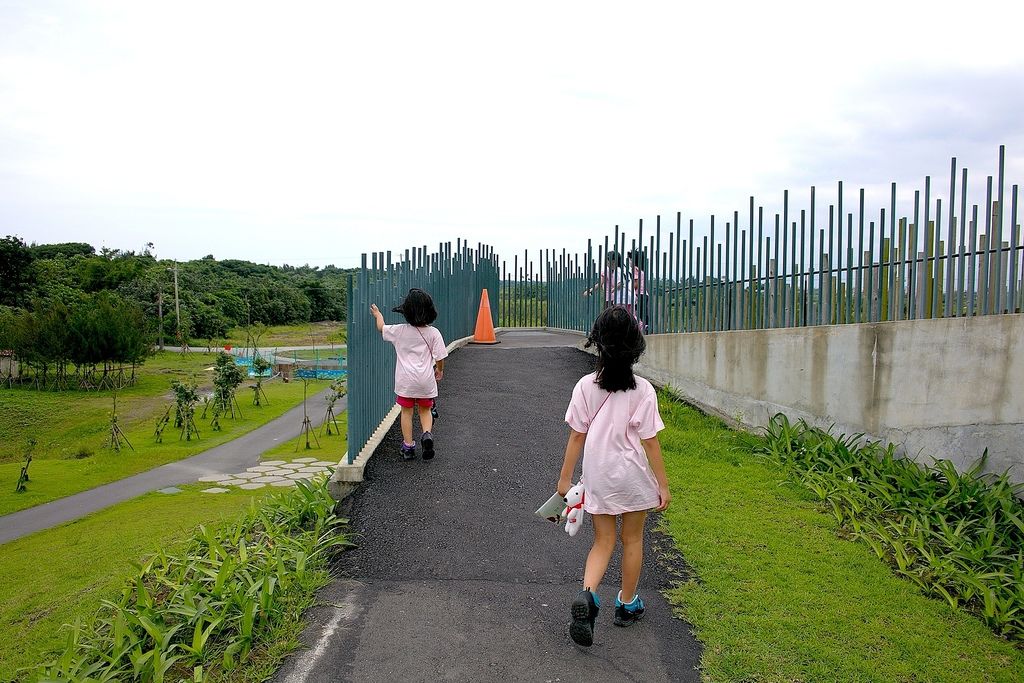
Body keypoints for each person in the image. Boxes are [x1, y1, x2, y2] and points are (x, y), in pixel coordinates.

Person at [555, 305, 671, 647]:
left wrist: (565, 480)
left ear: (598, 343)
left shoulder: (584, 387)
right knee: (632, 540)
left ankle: (588, 597)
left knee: (602, 541)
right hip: (633, 477)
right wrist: (662, 485)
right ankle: (627, 604)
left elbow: (577, 435)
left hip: (599, 476)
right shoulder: (643, 390)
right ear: (635, 346)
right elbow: (650, 442)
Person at [370, 288, 447, 461]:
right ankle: (427, 435)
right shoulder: (434, 333)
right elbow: (440, 357)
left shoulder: (399, 331)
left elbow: (381, 328)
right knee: (425, 410)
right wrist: (439, 370)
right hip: (425, 380)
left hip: (405, 382)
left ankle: (408, 447)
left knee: (406, 412)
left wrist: (378, 314)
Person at [628, 249, 649, 333]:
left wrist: (630, 291)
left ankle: (641, 327)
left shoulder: (634, 269)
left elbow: (636, 283)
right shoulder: (640, 270)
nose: (629, 261)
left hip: (638, 294)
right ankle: (646, 327)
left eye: (630, 259)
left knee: (632, 311)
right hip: (644, 294)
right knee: (643, 312)